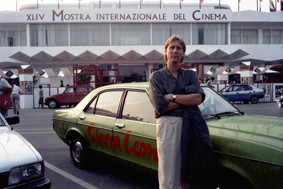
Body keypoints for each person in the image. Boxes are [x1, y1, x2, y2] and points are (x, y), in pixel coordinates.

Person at [149, 35, 215, 189]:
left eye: (179, 48)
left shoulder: (190, 75)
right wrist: (186, 98)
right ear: (165, 51)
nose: (175, 51)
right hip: (168, 126)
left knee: (187, 173)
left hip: (190, 125)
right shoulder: (156, 77)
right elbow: (160, 106)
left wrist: (172, 96)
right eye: (171, 47)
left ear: (183, 53)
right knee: (169, 176)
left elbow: (198, 98)